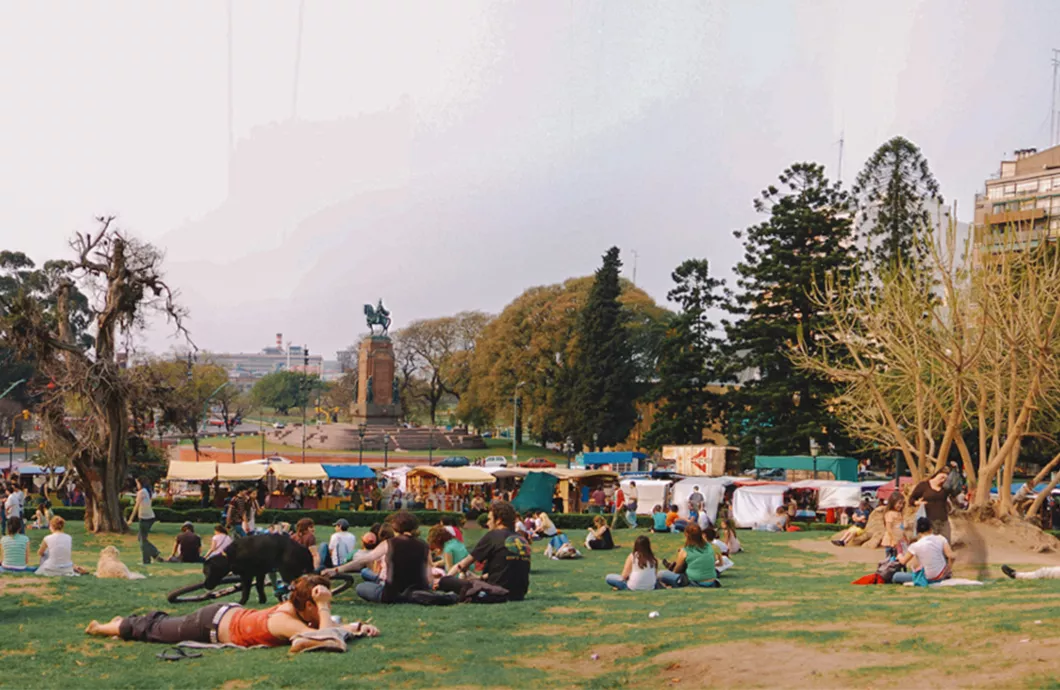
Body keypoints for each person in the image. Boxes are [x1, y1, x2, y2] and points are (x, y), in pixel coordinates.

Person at [85, 574, 379, 647]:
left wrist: (355, 628)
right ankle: (104, 627)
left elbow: (323, 628)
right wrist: (327, 608)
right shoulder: (283, 620)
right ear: (306, 606)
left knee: (161, 622)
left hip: (226, 614)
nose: (326, 609)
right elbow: (325, 638)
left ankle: (121, 622)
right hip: (207, 625)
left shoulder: (297, 614)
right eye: (319, 606)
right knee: (150, 630)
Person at [326, 512, 434, 604]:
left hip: (391, 594)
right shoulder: (424, 545)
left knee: (361, 587)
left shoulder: (389, 543)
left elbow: (364, 559)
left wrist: (337, 569)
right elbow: (429, 576)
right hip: (417, 591)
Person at [439, 501, 531, 602]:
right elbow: (506, 569)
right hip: (518, 593)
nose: (487, 523)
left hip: (494, 592)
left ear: (499, 520)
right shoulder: (521, 539)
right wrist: (479, 577)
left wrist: (446, 579)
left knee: (445, 582)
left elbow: (464, 564)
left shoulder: (493, 535)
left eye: (489, 519)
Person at [658, 523, 722, 588]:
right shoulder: (709, 546)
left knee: (660, 574)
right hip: (712, 581)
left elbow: (677, 570)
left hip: (694, 582)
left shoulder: (686, 551)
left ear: (687, 535)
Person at [892, 517, 953, 585]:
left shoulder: (915, 545)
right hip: (942, 575)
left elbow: (903, 561)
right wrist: (948, 569)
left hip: (927, 577)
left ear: (917, 531)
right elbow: (951, 556)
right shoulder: (941, 538)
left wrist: (899, 555)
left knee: (896, 576)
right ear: (931, 529)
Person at [909, 468, 952, 542]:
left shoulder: (945, 489)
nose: (943, 480)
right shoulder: (924, 485)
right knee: (931, 544)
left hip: (943, 520)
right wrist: (918, 503)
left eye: (945, 479)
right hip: (929, 520)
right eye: (942, 477)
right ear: (937, 474)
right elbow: (911, 499)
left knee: (946, 542)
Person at [128, 477, 160, 565]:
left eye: (137, 483)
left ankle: (146, 560)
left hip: (144, 518)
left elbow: (136, 506)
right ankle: (154, 553)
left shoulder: (141, 492)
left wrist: (130, 519)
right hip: (150, 517)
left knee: (143, 540)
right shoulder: (147, 491)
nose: (137, 485)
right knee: (141, 538)